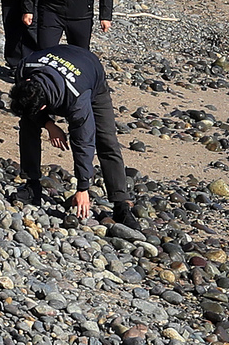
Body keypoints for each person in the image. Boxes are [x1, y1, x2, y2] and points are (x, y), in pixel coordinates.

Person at [9, 44, 136, 228]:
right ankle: (31, 187)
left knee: (106, 140)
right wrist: (49, 124)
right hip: (59, 57)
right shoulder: (24, 68)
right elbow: (29, 108)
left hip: (90, 73)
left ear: (44, 107)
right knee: (27, 123)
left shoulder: (77, 101)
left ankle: (121, 205)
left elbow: (83, 142)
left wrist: (83, 188)